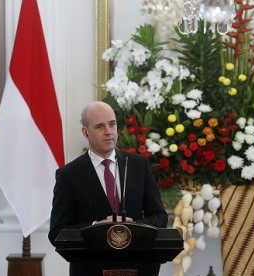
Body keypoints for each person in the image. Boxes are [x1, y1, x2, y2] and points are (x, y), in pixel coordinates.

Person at [48, 101, 168, 276]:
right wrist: (96, 227)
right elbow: (57, 233)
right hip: (90, 269)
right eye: (99, 126)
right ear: (85, 131)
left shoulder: (138, 165)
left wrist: (133, 227)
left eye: (112, 124)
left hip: (139, 267)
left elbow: (159, 216)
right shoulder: (69, 175)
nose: (108, 131)